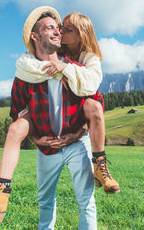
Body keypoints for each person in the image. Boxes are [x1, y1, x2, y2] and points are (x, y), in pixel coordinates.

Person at [0, 6, 99, 229]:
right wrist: (37, 139)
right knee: (45, 202)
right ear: (34, 35)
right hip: (46, 149)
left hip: (77, 143)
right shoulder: (25, 74)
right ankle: (0, 195)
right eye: (50, 28)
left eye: (58, 28)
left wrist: (77, 133)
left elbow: (95, 106)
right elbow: (18, 113)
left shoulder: (75, 69)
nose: (58, 32)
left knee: (86, 202)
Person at [16, 12, 119, 193]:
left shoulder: (90, 57)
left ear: (80, 35)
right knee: (45, 195)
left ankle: (100, 165)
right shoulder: (57, 51)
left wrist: (66, 69)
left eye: (68, 29)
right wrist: (58, 71)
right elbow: (29, 60)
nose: (60, 31)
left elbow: (92, 85)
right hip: (60, 121)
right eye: (60, 27)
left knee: (94, 105)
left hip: (81, 122)